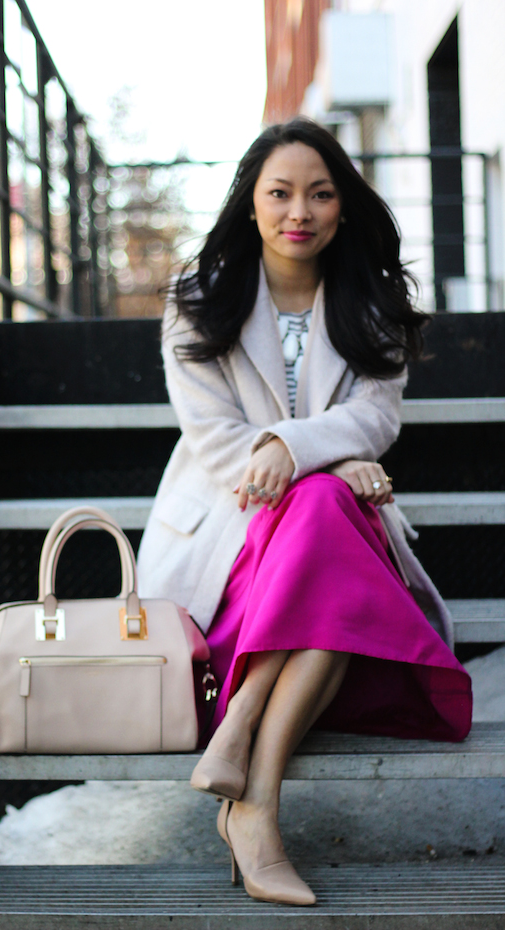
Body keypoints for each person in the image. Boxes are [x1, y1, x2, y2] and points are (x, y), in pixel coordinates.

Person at [137, 117, 472, 907]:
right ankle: (251, 784)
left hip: (321, 551)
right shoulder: (198, 302)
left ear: (344, 206)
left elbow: (377, 419)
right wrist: (324, 454)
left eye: (320, 194)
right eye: (279, 193)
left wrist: (302, 446)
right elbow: (220, 445)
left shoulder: (373, 304)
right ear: (249, 205)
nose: (300, 210)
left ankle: (249, 769)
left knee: (325, 510)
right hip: (232, 551)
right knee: (326, 507)